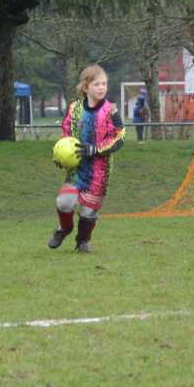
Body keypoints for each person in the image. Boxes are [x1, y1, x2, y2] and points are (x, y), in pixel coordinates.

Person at [48, 64, 125, 253]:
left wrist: (96, 149)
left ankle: (83, 241)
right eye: (97, 84)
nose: (102, 87)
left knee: (88, 212)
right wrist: (61, 156)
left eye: (104, 84)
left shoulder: (111, 111)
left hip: (100, 171)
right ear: (85, 87)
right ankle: (64, 228)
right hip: (77, 168)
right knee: (64, 202)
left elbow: (120, 137)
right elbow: (66, 134)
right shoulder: (74, 108)